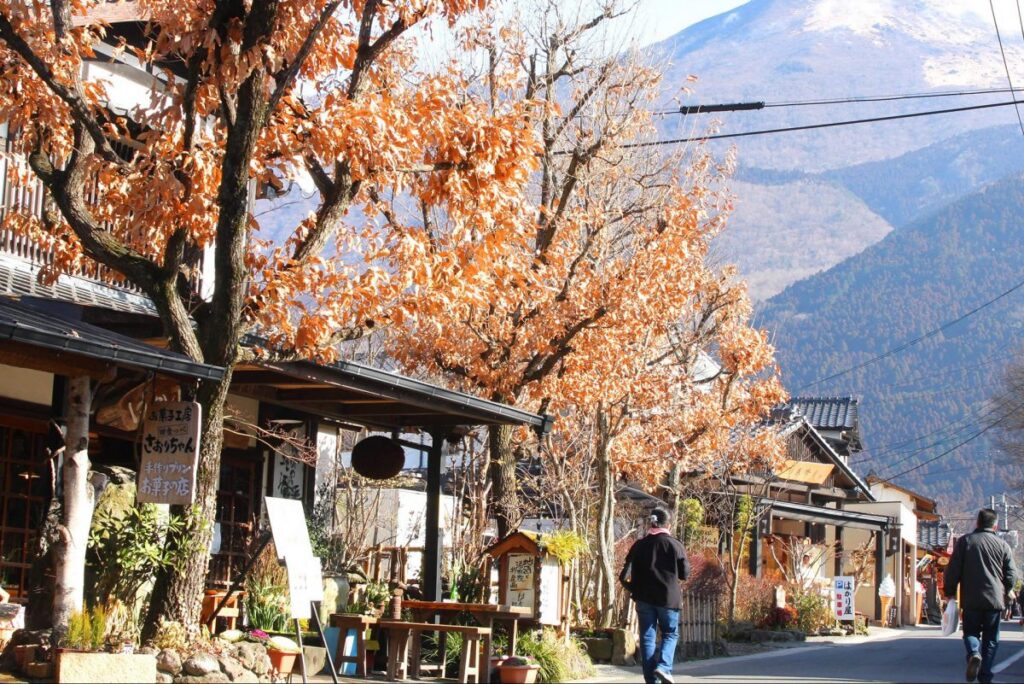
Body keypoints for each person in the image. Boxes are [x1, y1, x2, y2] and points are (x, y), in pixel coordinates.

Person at [944, 508, 1017, 684]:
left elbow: (952, 571)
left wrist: (950, 593)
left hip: (971, 599)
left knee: (970, 632)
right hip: (994, 600)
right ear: (996, 526)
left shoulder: (965, 542)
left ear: (977, 523)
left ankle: (974, 653)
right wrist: (1008, 588)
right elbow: (1011, 574)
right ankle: (985, 675)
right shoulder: (1002, 545)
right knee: (991, 639)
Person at [619, 507, 690, 684]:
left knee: (647, 637)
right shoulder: (675, 544)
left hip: (643, 598)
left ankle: (651, 680)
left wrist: (632, 588)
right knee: (670, 634)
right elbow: (684, 574)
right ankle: (664, 667)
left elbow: (624, 574)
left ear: (651, 522)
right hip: (668, 598)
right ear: (669, 524)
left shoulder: (639, 545)